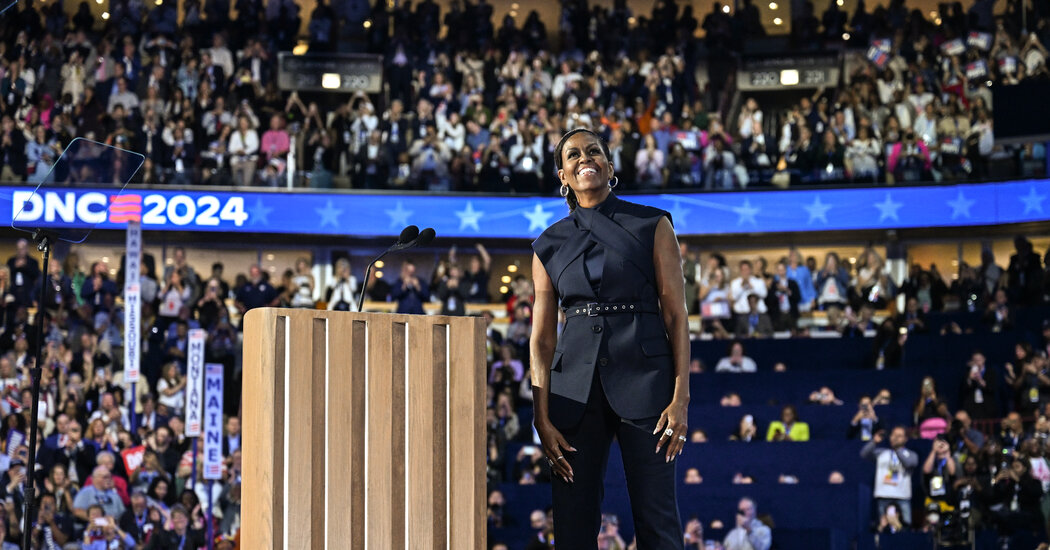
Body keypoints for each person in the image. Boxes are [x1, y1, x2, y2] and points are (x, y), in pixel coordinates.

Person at [530, 128, 689, 549]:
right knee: (573, 526)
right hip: (572, 392)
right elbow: (542, 339)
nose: (585, 158)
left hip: (647, 379)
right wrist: (540, 415)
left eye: (594, 150)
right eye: (573, 155)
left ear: (610, 165)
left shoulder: (653, 224)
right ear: (562, 174)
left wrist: (681, 397)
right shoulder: (546, 244)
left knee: (657, 521)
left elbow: (676, 314)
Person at [861, 426, 918, 526]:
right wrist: (874, 442)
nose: (895, 438)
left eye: (899, 436)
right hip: (883, 496)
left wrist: (897, 449)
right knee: (883, 527)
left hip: (902, 497)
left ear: (905, 439)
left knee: (904, 528)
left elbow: (909, 463)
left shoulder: (911, 454)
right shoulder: (882, 453)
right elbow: (864, 454)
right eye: (893, 435)